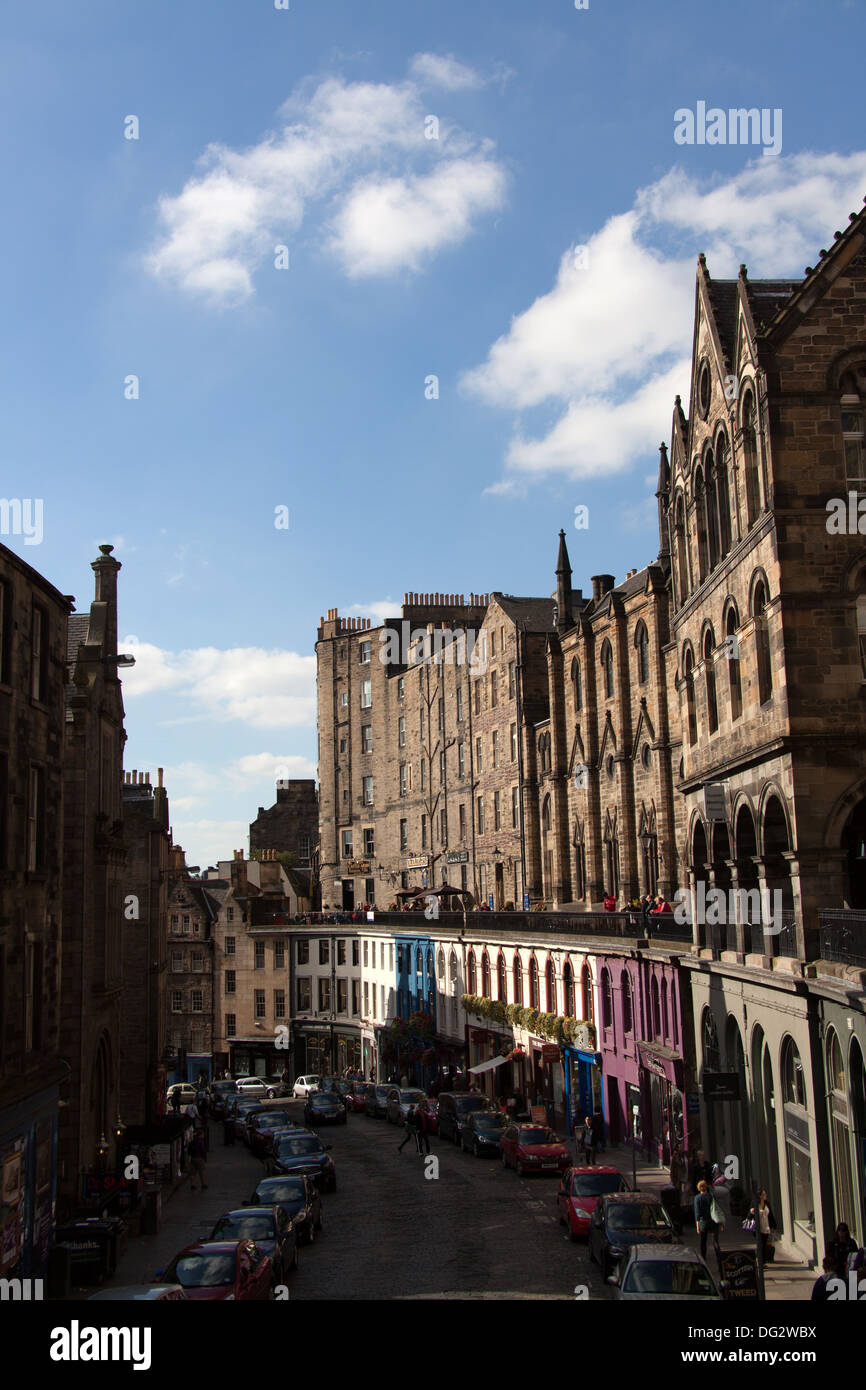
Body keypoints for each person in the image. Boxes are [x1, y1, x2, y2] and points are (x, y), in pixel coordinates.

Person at [694, 1179, 722, 1265]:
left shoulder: (697, 1198)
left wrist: (697, 1226)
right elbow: (716, 1209)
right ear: (706, 1187)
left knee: (703, 1240)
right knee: (715, 1240)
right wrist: (720, 1222)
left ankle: (703, 1257)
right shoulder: (711, 1197)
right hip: (713, 1221)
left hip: (703, 1222)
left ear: (698, 1188)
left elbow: (697, 1213)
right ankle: (719, 1256)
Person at [747, 1189, 777, 1265]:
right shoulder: (754, 1204)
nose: (765, 1196)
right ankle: (759, 1261)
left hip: (766, 1227)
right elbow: (749, 1216)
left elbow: (770, 1215)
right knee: (760, 1245)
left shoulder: (767, 1203)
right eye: (764, 1194)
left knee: (764, 1245)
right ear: (760, 1196)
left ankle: (762, 1262)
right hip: (757, 1228)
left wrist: (773, 1225)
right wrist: (751, 1212)